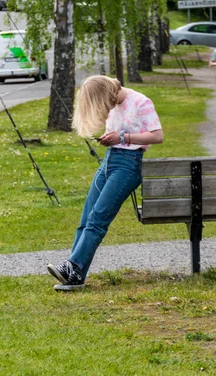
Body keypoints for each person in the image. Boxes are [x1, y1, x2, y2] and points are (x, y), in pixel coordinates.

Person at [47, 75, 164, 291]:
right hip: (110, 160)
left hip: (128, 165)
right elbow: (119, 132)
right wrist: (109, 137)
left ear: (107, 94)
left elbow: (157, 136)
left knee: (98, 217)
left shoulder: (141, 102)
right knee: (87, 216)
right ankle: (75, 273)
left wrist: (123, 138)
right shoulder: (114, 104)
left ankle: (72, 267)